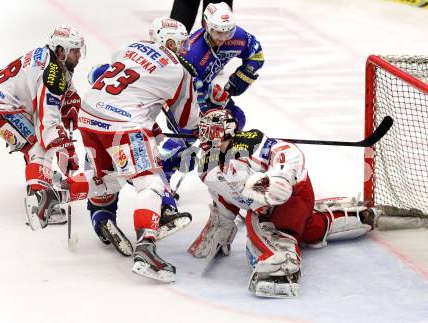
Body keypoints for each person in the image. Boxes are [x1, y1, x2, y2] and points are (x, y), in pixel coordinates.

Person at [27, 17, 199, 283]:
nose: (185, 48)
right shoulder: (179, 69)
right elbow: (187, 123)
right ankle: (146, 249)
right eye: (180, 43)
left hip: (89, 116)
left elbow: (108, 76)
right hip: (123, 126)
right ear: (167, 42)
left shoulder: (131, 47)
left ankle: (56, 193)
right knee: (150, 182)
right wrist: (207, 129)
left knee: (109, 180)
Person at [188, 109, 376, 298]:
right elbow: (224, 196)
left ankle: (282, 264)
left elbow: (287, 151)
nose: (204, 136)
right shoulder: (206, 166)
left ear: (226, 129)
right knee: (305, 228)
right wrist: (222, 225)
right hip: (267, 206)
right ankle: (353, 216)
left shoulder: (251, 142)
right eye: (202, 131)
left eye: (209, 131)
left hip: (293, 195)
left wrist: (280, 176)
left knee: (261, 226)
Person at [161, 1, 264, 193]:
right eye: (218, 32)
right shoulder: (191, 52)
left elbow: (256, 53)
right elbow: (186, 93)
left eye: (228, 32)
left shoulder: (237, 37)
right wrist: (207, 118)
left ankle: (224, 168)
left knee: (236, 119)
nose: (224, 38)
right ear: (206, 26)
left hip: (204, 91)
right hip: (183, 99)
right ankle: (161, 180)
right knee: (183, 141)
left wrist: (244, 75)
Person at [0, 24, 84, 224]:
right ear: (61, 50)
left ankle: (39, 177)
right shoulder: (52, 73)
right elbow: (47, 123)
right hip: (0, 108)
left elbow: (63, 85)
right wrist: (64, 146)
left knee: (35, 139)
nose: (79, 55)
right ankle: (40, 202)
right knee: (39, 145)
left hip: (5, 102)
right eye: (74, 50)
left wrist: (71, 101)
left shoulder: (53, 58)